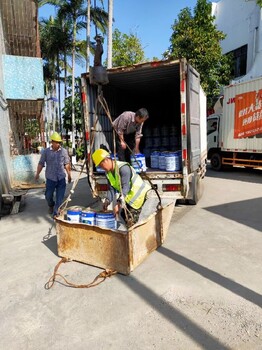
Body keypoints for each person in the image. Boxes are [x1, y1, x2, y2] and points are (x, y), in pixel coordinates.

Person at [92, 149, 151, 227]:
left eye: (101, 165)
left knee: (131, 220)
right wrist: (107, 201)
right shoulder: (108, 173)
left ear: (105, 160)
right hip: (129, 196)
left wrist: (118, 204)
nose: (101, 168)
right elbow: (111, 189)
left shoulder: (123, 168)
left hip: (138, 195)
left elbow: (125, 187)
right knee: (124, 215)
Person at [35, 132, 71, 217]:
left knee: (60, 197)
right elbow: (41, 163)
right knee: (48, 195)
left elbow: (67, 164)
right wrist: (37, 174)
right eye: (57, 142)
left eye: (59, 142)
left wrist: (69, 174)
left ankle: (56, 212)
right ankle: (51, 205)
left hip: (61, 178)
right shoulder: (46, 152)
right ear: (52, 142)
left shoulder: (64, 152)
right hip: (50, 179)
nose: (58, 144)